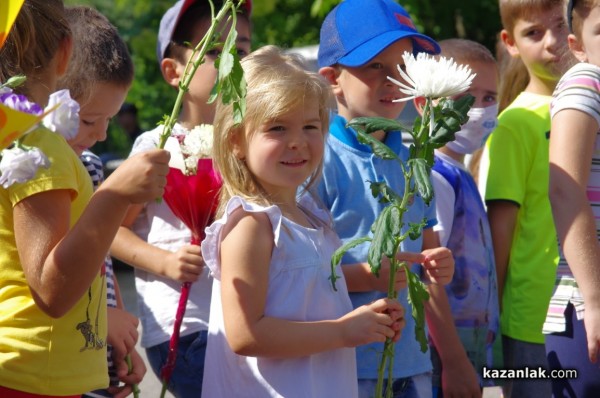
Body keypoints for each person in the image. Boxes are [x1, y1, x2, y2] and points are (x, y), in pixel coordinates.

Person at [201, 44, 407, 398]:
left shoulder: (309, 215)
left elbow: (308, 298)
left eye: (310, 126)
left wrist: (370, 320)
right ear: (236, 139)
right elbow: (245, 334)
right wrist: (342, 332)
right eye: (278, 128)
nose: (297, 142)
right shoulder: (251, 225)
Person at [0, 0, 169, 396]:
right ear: (64, 52)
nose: (103, 134)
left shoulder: (17, 139)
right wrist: (113, 196)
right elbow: (52, 290)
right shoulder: (38, 151)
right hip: (31, 375)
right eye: (92, 120)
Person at [316, 1, 478, 397]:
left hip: (412, 364)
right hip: (344, 367)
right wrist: (366, 275)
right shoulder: (315, 161)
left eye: (404, 67)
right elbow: (299, 271)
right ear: (333, 78)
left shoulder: (414, 161)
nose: (394, 81)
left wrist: (438, 265)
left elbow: (427, 260)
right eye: (375, 66)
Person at [110, 1, 251, 396]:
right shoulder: (156, 146)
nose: (231, 63)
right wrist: (166, 261)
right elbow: (109, 230)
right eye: (213, 50)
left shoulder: (251, 142)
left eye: (240, 51)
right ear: (174, 72)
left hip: (245, 321)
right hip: (187, 327)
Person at [478, 0, 569, 396]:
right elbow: (502, 228)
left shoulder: (589, 107)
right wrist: (490, 322)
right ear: (510, 42)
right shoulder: (515, 123)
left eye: (562, 25)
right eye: (534, 32)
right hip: (534, 321)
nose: (553, 42)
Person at [56, 6, 146, 397]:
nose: (100, 134)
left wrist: (120, 338)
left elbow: (100, 262)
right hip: (58, 356)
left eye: (108, 121)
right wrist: (101, 318)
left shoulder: (88, 165)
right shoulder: (31, 170)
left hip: (93, 346)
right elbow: (46, 269)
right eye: (90, 120)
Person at [414, 38, 500, 396]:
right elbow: (428, 274)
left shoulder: (458, 173)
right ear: (424, 105)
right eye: (462, 98)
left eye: (488, 98)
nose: (476, 110)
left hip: (472, 348)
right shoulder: (434, 176)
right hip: (445, 357)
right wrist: (453, 360)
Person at [542, 0, 600, 395]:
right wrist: (595, 300)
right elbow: (564, 188)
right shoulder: (587, 81)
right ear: (579, 46)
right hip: (586, 307)